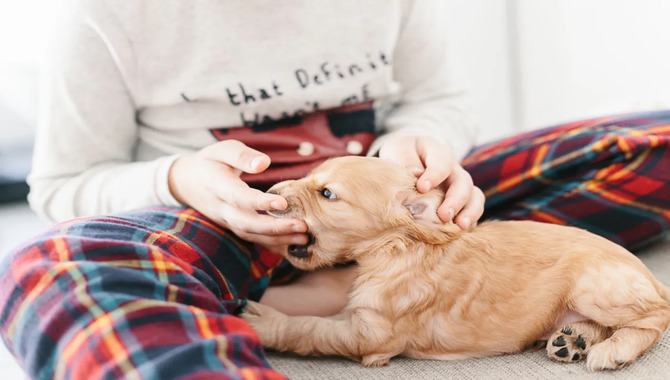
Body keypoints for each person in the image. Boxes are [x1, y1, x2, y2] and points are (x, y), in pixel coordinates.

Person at [1, 1, 669, 379]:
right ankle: (263, 299)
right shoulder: (102, 19)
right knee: (49, 268)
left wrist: (420, 146)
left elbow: (439, 100)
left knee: (655, 139)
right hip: (216, 228)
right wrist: (178, 178)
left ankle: (361, 290)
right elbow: (61, 187)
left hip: (403, 219)